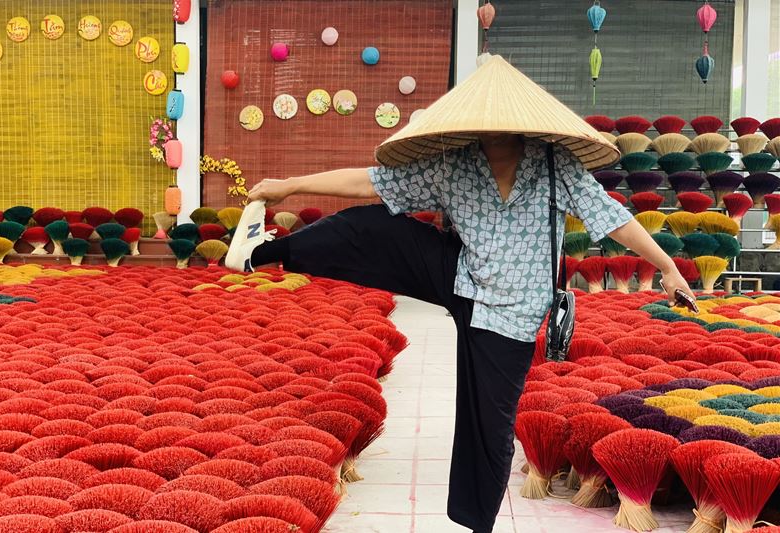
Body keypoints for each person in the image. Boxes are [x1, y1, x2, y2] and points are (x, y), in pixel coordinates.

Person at [224, 56, 695, 533]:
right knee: (368, 226)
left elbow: (613, 219)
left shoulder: (557, 168)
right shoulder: (453, 166)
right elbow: (370, 181)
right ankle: (265, 252)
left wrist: (668, 267)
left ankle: (478, 526)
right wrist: (290, 185)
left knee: (488, 430)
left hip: (511, 316)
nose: (492, 128)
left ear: (524, 122)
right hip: (461, 278)